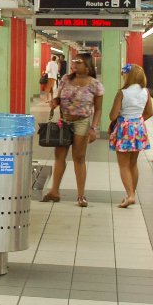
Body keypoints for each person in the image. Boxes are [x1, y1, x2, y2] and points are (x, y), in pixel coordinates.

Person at [42, 52, 104, 207]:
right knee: (59, 156)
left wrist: (94, 128)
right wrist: (54, 102)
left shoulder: (95, 85)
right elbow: (59, 97)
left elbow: (98, 109)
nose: (74, 64)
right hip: (64, 121)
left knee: (79, 158)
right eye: (74, 61)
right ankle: (54, 191)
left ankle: (81, 195)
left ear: (88, 66)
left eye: (79, 62)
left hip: (82, 123)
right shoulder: (65, 79)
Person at [108, 63, 153, 208]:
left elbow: (113, 115)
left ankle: (130, 195)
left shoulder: (123, 93)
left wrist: (123, 118)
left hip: (124, 128)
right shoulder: (145, 92)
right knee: (133, 164)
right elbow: (149, 113)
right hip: (138, 128)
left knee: (123, 165)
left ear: (128, 76)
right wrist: (137, 122)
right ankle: (131, 193)